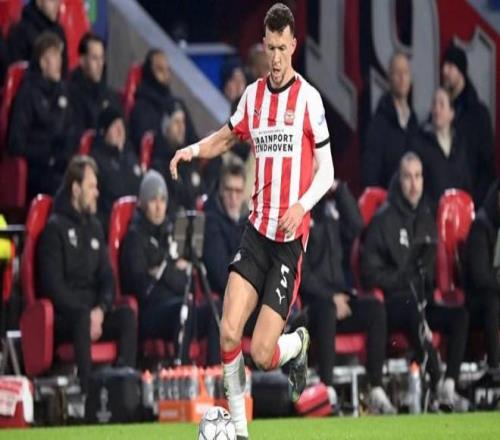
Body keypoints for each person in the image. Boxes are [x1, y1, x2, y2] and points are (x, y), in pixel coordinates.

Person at [170, 4, 334, 438]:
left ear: (293, 45)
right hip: (256, 233)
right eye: (270, 48)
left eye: (283, 48)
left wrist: (301, 205)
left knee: (262, 353)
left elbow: (328, 171)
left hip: (288, 242)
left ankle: (297, 344)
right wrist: (192, 150)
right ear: (264, 46)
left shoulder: (309, 100)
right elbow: (226, 138)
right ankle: (241, 433)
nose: (276, 58)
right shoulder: (253, 97)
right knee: (228, 333)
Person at [361, 152, 470, 411]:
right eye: (408, 177)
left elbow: (429, 271)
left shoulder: (426, 216)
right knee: (412, 309)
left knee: (460, 316)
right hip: (395, 304)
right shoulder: (383, 220)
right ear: (399, 179)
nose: (414, 184)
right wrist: (401, 279)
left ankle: (449, 386)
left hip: (422, 302)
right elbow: (368, 273)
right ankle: (436, 379)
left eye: (418, 176)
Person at [37, 155, 137, 398]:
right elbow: (52, 285)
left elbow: (107, 278)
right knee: (81, 319)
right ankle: (88, 396)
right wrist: (84, 313)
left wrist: (100, 310)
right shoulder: (54, 229)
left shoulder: (95, 227)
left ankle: (123, 392)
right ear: (75, 189)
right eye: (91, 186)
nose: (97, 193)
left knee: (127, 316)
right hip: (66, 318)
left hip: (94, 315)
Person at [300, 181, 395, 414]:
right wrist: (330, 297)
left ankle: (375, 387)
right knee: (327, 310)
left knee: (375, 309)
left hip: (340, 300)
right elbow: (301, 274)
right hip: (313, 306)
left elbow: (357, 226)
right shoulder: (299, 211)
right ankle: (327, 389)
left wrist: (340, 189)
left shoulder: (333, 210)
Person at [120, 170, 220, 365]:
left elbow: (187, 283)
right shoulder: (134, 238)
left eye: (163, 200)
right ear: (143, 203)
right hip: (151, 315)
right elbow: (142, 288)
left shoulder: (171, 233)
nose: (159, 207)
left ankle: (214, 371)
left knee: (217, 309)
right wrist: (173, 269)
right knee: (183, 309)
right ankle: (181, 371)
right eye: (153, 200)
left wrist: (160, 270)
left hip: (179, 306)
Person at [8, 31, 77, 199]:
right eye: (54, 55)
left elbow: (71, 129)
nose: (59, 61)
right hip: (37, 170)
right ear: (42, 62)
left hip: (60, 165)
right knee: (66, 190)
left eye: (60, 55)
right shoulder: (28, 93)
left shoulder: (62, 91)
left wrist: (63, 155)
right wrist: (48, 156)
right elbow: (16, 143)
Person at [442, 43, 494, 206]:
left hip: (472, 202)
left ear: (461, 71)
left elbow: (487, 165)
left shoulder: (479, 114)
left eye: (451, 66)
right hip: (443, 203)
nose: (445, 71)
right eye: (444, 65)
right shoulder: (438, 112)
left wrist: (475, 202)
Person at [362, 52, 419, 189]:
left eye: (405, 72)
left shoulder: (414, 122)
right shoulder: (379, 123)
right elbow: (370, 174)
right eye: (397, 72)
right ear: (389, 78)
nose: (402, 77)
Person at [413, 88, 471, 209]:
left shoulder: (460, 145)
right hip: (429, 214)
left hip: (456, 212)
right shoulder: (420, 142)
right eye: (434, 104)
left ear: (451, 113)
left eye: (441, 104)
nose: (436, 109)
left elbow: (466, 183)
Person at [129, 49, 197, 152]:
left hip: (185, 158)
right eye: (160, 69)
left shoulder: (177, 104)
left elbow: (193, 139)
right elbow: (144, 146)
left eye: (167, 69)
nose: (165, 74)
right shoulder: (141, 107)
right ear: (149, 72)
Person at [465, 178, 500, 370]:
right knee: (493, 302)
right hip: (478, 301)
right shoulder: (481, 226)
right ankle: (495, 367)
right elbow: (480, 278)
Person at [90, 106, 142, 232]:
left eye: (121, 125)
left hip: (136, 226)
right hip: (110, 226)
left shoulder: (131, 157)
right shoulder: (95, 162)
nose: (120, 130)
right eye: (114, 126)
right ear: (104, 132)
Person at [151, 99, 207, 212]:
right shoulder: (160, 166)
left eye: (183, 122)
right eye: (176, 122)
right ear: (166, 127)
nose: (181, 127)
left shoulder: (189, 160)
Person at [203, 160, 249, 296]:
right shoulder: (210, 221)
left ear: (244, 193)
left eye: (238, 191)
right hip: (224, 297)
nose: (233, 197)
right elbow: (222, 276)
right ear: (221, 190)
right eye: (229, 190)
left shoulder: (251, 221)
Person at [69, 32, 122, 136]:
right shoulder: (71, 95)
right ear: (82, 61)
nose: (100, 64)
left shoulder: (111, 96)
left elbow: (124, 133)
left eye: (101, 58)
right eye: (94, 58)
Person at [7, 0, 68, 75]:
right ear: (39, 1)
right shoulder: (19, 32)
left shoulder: (59, 31)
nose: (57, 5)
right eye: (52, 1)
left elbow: (64, 71)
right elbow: (18, 74)